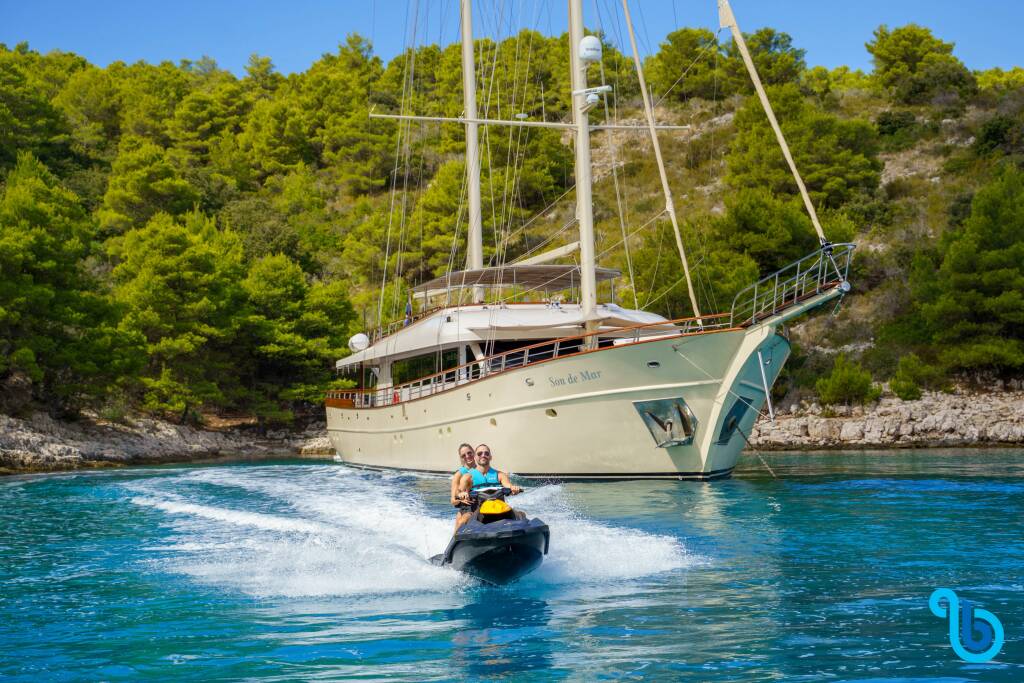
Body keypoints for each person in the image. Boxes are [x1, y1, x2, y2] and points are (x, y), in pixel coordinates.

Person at [455, 444, 521, 512]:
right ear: (475, 457)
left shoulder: (500, 475)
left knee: (521, 514)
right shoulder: (467, 477)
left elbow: (508, 485)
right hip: (476, 511)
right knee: (465, 518)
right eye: (479, 454)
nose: (483, 455)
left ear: (490, 457)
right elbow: (458, 491)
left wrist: (513, 488)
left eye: (486, 453)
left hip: (499, 509)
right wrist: (461, 494)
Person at [450, 443, 476, 531]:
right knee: (460, 525)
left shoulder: (482, 468)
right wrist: (461, 498)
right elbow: (453, 501)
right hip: (466, 509)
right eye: (463, 455)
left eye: (469, 453)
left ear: (474, 452)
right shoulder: (458, 475)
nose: (467, 456)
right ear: (461, 458)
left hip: (482, 505)